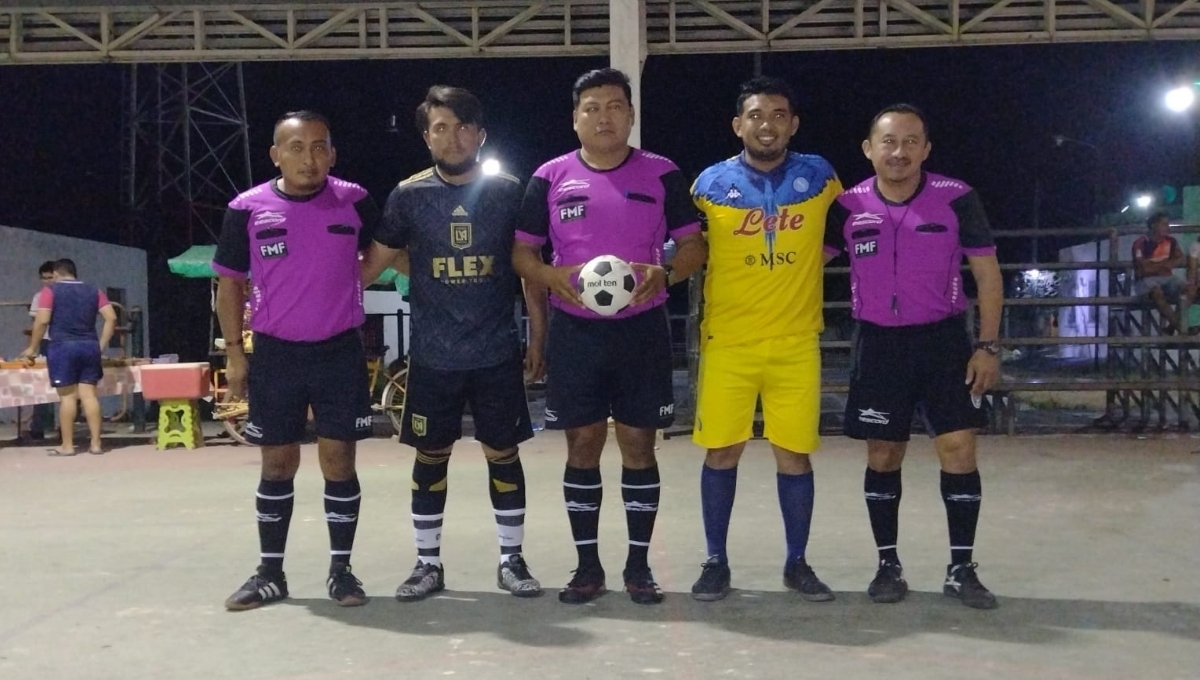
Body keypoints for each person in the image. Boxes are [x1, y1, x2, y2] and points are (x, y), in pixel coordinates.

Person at [513, 67, 708, 605]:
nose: (605, 116)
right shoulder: (549, 177)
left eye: (616, 106)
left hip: (641, 330)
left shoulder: (662, 174)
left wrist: (664, 274)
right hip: (576, 333)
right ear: (575, 118)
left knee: (639, 444)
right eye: (592, 107)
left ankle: (639, 568)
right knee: (582, 445)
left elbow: (694, 246)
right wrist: (554, 279)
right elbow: (522, 254)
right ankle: (587, 568)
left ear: (631, 114)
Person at [361, 86, 542, 601]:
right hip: (434, 357)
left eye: (463, 126)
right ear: (426, 137)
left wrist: (538, 334)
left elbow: (528, 269)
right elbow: (372, 265)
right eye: (441, 126)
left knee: (503, 452)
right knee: (430, 455)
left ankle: (512, 559)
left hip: (496, 353)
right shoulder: (408, 196)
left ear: (480, 134)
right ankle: (426, 564)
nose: (453, 136)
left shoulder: (509, 190)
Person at [823, 104, 1003, 609]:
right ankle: (887, 565)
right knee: (883, 454)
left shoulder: (956, 198)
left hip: (945, 341)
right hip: (878, 345)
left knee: (959, 451)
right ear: (869, 149)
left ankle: (961, 568)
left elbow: (987, 276)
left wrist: (987, 346)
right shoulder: (848, 205)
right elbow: (802, 266)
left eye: (910, 142)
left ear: (925, 148)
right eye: (888, 141)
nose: (898, 151)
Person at [213, 110, 380, 611]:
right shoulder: (247, 209)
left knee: (338, 462)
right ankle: (270, 573)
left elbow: (386, 254)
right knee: (277, 463)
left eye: (319, 147)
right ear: (275, 154)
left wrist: (347, 286)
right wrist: (236, 356)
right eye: (296, 147)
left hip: (339, 352)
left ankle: (341, 572)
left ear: (332, 152)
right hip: (276, 355)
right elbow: (229, 286)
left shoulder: (354, 201)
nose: (309, 158)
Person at [687, 76, 843, 602]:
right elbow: (687, 245)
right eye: (755, 115)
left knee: (794, 455)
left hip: (796, 342)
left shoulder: (821, 176)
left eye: (778, 114)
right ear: (738, 125)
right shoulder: (708, 184)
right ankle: (715, 562)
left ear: (793, 124)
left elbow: (846, 229)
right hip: (728, 342)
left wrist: (806, 267)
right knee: (722, 452)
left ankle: (797, 563)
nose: (767, 124)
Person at [18, 258, 117, 456]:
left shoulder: (50, 292)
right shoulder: (94, 290)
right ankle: (96, 444)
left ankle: (67, 445)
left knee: (68, 398)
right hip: (89, 346)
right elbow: (111, 317)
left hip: (62, 347)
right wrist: (101, 345)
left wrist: (32, 347)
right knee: (89, 396)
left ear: (55, 274)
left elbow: (42, 320)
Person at [1132, 212, 1194, 334]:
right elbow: (1145, 269)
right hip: (1146, 280)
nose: (1168, 227)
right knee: (1156, 292)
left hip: (1167, 277)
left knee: (1191, 289)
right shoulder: (1141, 243)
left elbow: (1181, 259)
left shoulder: (1171, 241)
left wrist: (1156, 265)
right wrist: (1167, 264)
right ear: (1154, 225)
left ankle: (1173, 327)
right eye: (1164, 224)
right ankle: (1182, 329)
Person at [16, 261, 57, 443]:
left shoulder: (64, 295)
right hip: (47, 343)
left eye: (51, 277)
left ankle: (65, 428)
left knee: (67, 387)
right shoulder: (39, 297)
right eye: (45, 278)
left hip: (63, 342)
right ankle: (38, 427)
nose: (48, 281)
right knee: (41, 385)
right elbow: (38, 323)